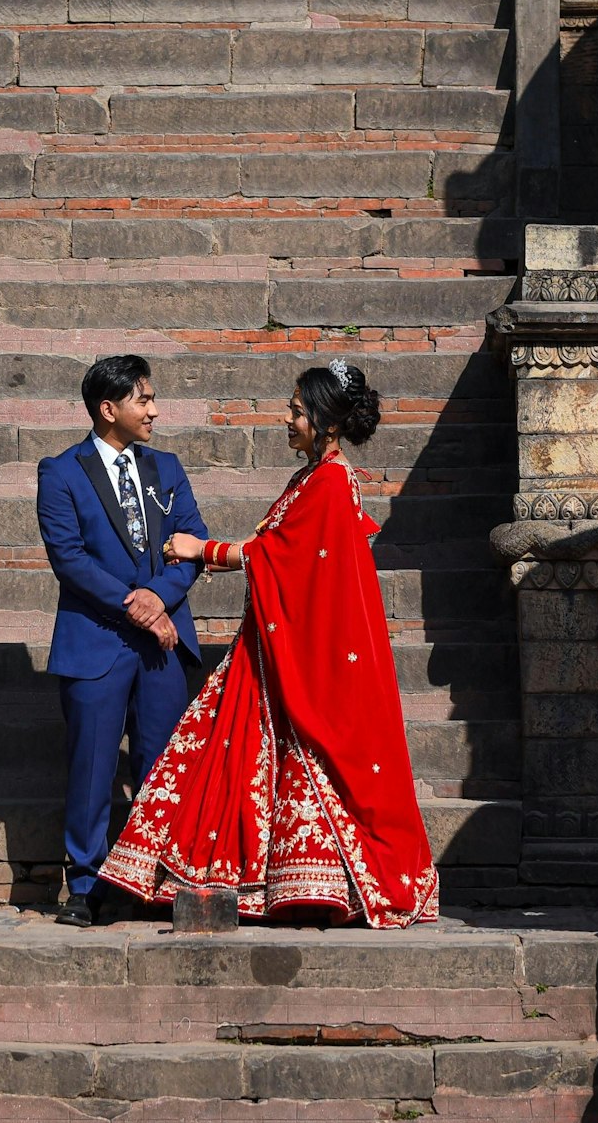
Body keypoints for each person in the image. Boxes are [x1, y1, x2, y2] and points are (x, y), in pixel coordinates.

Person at [100, 361, 440, 928]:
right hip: (274, 642)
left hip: (309, 650)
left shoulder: (331, 483)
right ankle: (253, 883)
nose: (288, 419)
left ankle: (317, 889)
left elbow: (280, 557)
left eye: (298, 412)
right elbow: (279, 548)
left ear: (326, 423)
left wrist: (199, 549)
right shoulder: (311, 477)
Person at [35, 356, 208, 926]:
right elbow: (71, 560)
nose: (154, 410)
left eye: (153, 398)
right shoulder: (60, 473)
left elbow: (194, 540)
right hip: (98, 641)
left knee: (163, 767)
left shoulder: (166, 467)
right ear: (109, 410)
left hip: (163, 645)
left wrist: (161, 598)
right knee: (92, 766)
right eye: (144, 400)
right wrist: (137, 605)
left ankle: (156, 878)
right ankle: (85, 886)